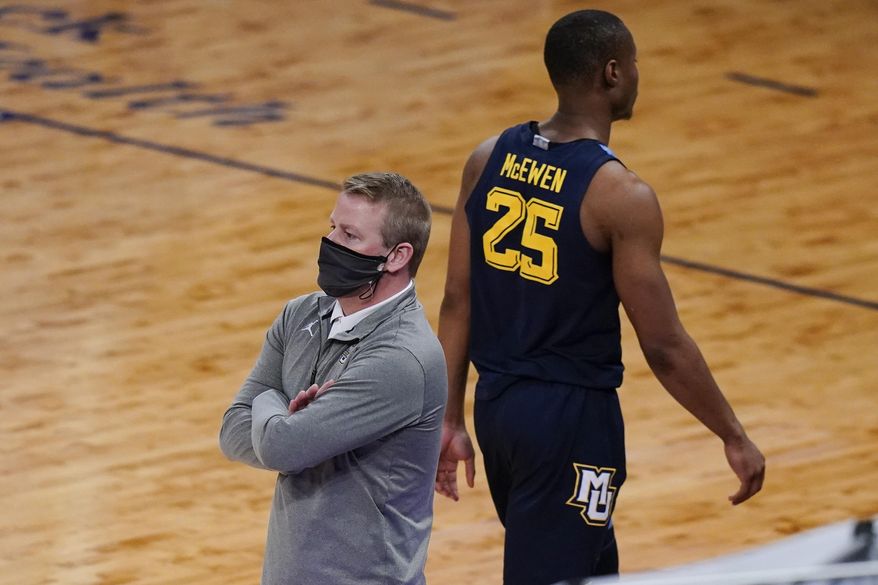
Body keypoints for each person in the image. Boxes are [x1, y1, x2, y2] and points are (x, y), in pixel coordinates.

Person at [434, 9, 766, 585]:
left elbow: (456, 300)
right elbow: (663, 345)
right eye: (634, 64)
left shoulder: (488, 158)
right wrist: (732, 434)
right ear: (612, 73)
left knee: (592, 567)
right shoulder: (620, 194)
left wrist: (447, 416)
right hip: (571, 418)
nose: (637, 74)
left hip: (499, 409)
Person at [219, 172, 447, 585]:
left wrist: (272, 406)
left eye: (350, 235)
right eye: (332, 228)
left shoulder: (402, 357)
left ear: (397, 256)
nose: (331, 244)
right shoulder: (300, 315)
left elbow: (279, 446)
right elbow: (232, 432)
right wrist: (290, 428)